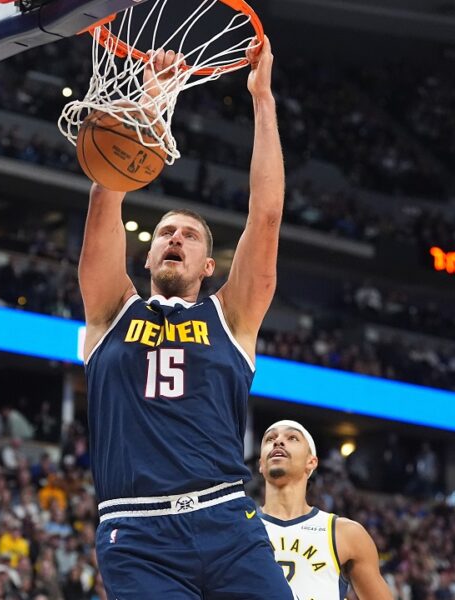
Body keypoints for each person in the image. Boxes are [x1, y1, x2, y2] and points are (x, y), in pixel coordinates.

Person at [79, 37, 292, 599]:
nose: (175, 237)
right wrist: (147, 106)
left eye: (189, 234)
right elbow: (106, 193)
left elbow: (266, 216)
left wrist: (262, 98)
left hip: (227, 522)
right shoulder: (109, 311)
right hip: (138, 535)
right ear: (147, 256)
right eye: (165, 232)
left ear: (208, 264)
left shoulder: (232, 316)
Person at [260, 421, 391, 600]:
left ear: (311, 462)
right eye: (270, 439)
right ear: (261, 464)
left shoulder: (346, 533)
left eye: (292, 437)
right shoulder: (238, 528)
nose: (278, 442)